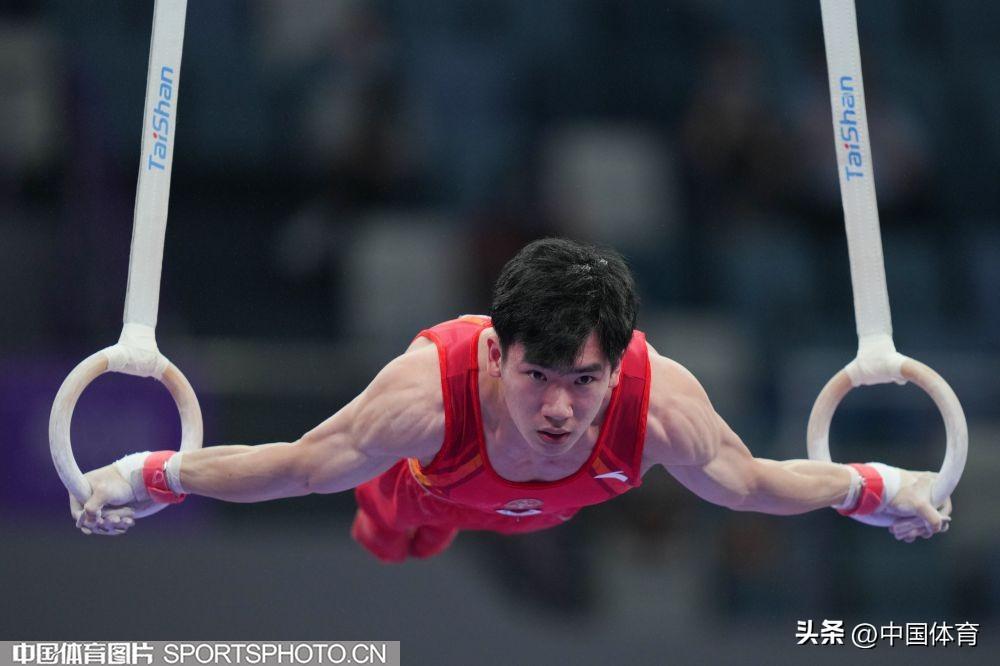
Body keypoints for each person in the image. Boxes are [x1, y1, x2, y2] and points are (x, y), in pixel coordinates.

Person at [70, 238, 952, 561]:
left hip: (545, 509)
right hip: (422, 492)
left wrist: (880, 487)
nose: (561, 408)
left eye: (585, 380)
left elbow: (754, 483)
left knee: (554, 499)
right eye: (537, 376)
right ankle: (408, 527)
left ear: (619, 368)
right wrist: (150, 474)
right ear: (495, 354)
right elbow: (297, 469)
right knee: (390, 540)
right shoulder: (426, 397)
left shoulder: (660, 406)